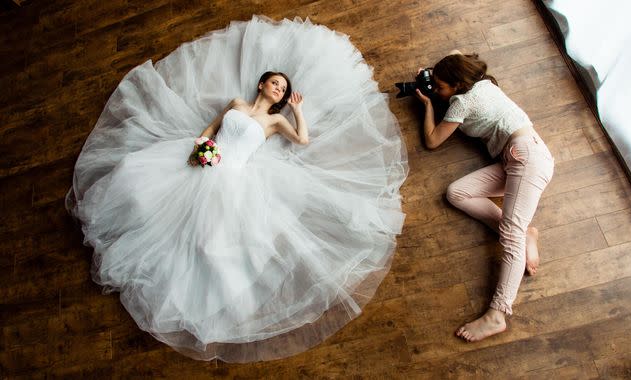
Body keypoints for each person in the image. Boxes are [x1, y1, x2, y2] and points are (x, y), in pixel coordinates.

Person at [66, 16, 408, 362]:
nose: (279, 90)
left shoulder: (275, 121)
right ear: (261, 84)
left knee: (209, 240)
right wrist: (201, 148)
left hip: (232, 178)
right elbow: (208, 130)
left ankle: (194, 295)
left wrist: (298, 110)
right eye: (275, 84)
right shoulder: (235, 104)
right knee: (142, 189)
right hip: (205, 161)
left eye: (283, 90)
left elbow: (303, 140)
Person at [414, 51, 554, 342]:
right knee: (457, 193)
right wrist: (436, 73)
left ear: (456, 85)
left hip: (527, 158)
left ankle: (497, 314)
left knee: (510, 234)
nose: (438, 91)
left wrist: (427, 105)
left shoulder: (462, 102)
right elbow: (455, 54)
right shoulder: (484, 83)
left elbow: (432, 141)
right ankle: (526, 233)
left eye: (441, 86)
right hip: (517, 158)